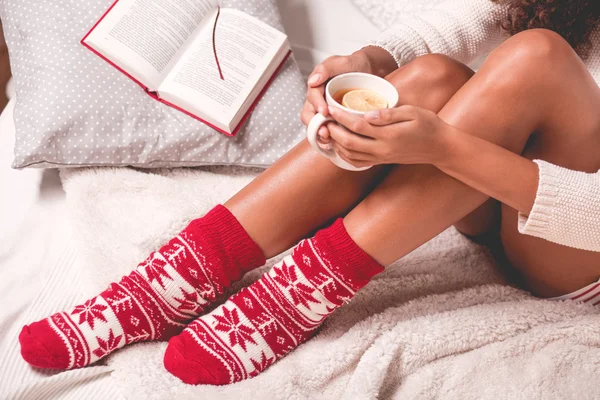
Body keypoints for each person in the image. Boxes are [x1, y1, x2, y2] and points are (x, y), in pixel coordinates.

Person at [18, 0, 600, 387]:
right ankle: (183, 272)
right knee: (433, 75)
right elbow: (454, 29)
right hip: (501, 205)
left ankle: (301, 290)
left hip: (578, 247)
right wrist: (363, 64)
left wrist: (444, 148)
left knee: (539, 55)